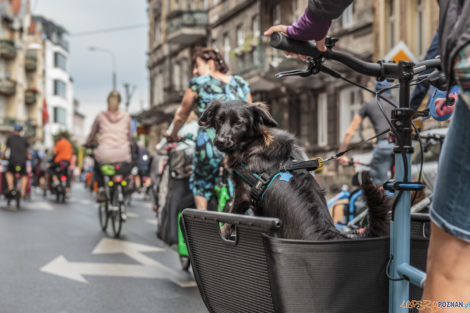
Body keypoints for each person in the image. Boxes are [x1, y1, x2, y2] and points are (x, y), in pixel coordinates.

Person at [265, 0, 470, 309]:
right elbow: (448, 29)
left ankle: (372, 208)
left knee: (451, 266)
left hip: (391, 140)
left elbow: (350, 133)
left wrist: (310, 25)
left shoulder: (369, 104)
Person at [166, 47, 252, 210]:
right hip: (241, 147)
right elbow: (250, 114)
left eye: (197, 65)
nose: (194, 70)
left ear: (210, 64)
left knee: (201, 183)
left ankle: (203, 227)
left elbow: (181, 116)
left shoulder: (198, 84)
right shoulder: (240, 83)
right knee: (241, 183)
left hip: (211, 144)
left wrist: (173, 134)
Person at [337, 81, 396, 184]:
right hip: (402, 145)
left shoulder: (369, 104)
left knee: (379, 185)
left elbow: (351, 131)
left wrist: (342, 153)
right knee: (400, 184)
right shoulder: (397, 102)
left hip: (384, 144)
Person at [85, 90, 132, 207]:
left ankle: (101, 188)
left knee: (97, 164)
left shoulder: (100, 116)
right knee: (124, 169)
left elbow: (92, 134)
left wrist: (88, 143)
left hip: (104, 154)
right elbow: (130, 136)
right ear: (120, 102)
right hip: (123, 153)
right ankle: (124, 187)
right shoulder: (126, 116)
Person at [3, 124, 29, 198]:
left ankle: (11, 188)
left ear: (14, 130)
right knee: (24, 175)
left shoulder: (10, 138)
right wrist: (28, 156)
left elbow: (6, 148)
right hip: (22, 162)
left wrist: (2, 156)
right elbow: (28, 151)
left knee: (9, 173)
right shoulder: (24, 139)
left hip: (13, 161)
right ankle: (23, 191)